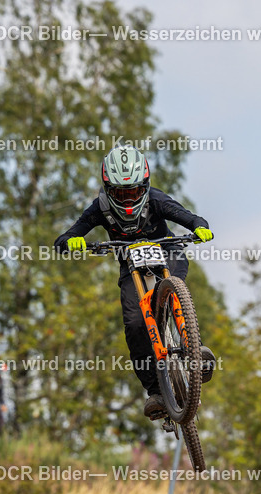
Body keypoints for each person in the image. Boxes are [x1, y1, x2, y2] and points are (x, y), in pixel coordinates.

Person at [54, 145, 217, 420]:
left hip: (168, 252)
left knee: (175, 289)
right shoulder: (99, 208)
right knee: (134, 324)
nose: (128, 199)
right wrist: (72, 241)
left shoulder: (156, 199)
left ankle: (193, 349)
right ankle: (156, 392)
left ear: (146, 186)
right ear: (108, 190)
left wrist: (199, 227)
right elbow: (65, 237)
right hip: (131, 268)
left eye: (134, 192)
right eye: (121, 193)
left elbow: (188, 216)